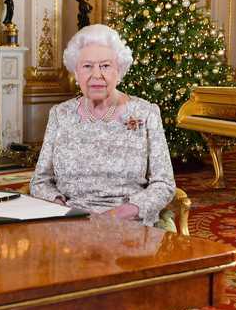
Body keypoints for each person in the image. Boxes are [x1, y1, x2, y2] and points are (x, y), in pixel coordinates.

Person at [30, 24, 175, 226]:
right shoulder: (60, 114)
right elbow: (41, 181)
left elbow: (164, 184)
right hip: (70, 223)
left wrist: (122, 213)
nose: (96, 75)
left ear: (119, 70)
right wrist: (59, 206)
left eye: (105, 66)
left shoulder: (146, 113)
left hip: (128, 224)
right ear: (76, 72)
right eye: (87, 66)